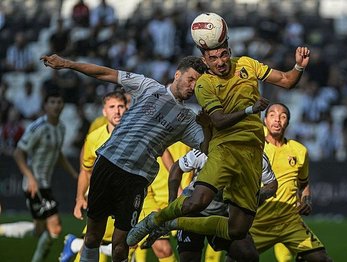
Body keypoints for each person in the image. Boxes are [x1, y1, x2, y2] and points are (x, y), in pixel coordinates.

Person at [128, 13, 310, 254]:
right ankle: (156, 219)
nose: (220, 61)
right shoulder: (205, 84)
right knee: (198, 200)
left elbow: (287, 80)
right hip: (224, 149)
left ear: (229, 51)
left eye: (223, 55)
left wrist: (298, 66)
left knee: (237, 230)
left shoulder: (248, 65)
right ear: (205, 59)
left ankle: (175, 222)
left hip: (252, 154)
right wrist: (250, 109)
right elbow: (219, 121)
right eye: (213, 58)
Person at [40, 53, 210, 262]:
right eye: (191, 79)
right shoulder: (148, 86)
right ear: (177, 75)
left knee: (122, 245)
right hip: (108, 164)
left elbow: (208, 148)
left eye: (198, 83)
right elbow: (106, 73)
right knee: (93, 236)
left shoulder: (188, 119)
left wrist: (209, 125)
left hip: (136, 180)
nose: (193, 86)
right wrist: (67, 63)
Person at [142, 148, 277, 261]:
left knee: (248, 255)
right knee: (189, 258)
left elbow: (272, 183)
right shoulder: (207, 150)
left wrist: (258, 196)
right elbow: (177, 167)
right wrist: (172, 204)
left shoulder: (256, 155)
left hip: (224, 215)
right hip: (192, 212)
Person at [247, 103, 332, 262]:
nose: (277, 120)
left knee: (321, 259)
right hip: (258, 222)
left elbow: (304, 183)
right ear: (265, 120)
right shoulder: (253, 147)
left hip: (290, 222)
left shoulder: (299, 151)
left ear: (288, 122)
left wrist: (307, 200)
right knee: (235, 258)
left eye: (283, 116)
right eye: (272, 115)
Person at [59, 90, 127, 262]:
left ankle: (74, 244)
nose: (117, 111)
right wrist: (79, 198)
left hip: (128, 196)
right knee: (95, 240)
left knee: (124, 244)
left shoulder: (136, 135)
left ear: (127, 109)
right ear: (104, 111)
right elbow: (85, 170)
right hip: (102, 196)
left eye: (120, 106)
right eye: (112, 107)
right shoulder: (94, 138)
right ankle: (75, 245)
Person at [13, 89, 78, 262]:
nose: (56, 106)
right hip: (34, 183)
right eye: (52, 102)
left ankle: (4, 230)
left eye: (59, 102)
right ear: (45, 106)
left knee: (40, 231)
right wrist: (31, 177)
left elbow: (58, 154)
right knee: (55, 228)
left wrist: (73, 173)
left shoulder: (61, 128)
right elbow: (18, 153)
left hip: (45, 183)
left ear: (63, 105)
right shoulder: (37, 127)